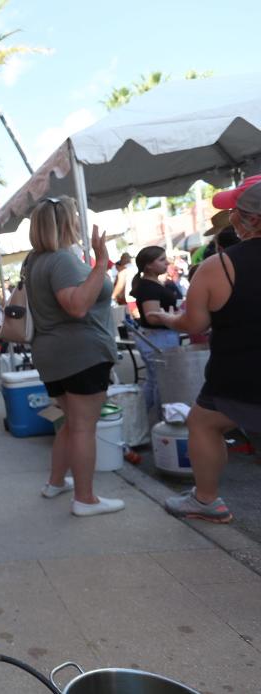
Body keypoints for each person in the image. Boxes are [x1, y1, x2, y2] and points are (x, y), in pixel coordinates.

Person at [158, 179, 261, 523]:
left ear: (252, 219)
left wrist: (166, 318)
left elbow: (194, 325)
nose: (232, 217)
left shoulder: (219, 267)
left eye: (237, 210)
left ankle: (206, 500)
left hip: (240, 378)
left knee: (202, 422)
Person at [25, 197, 123, 517]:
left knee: (71, 423)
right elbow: (77, 305)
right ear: (67, 223)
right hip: (80, 353)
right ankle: (85, 498)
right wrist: (101, 263)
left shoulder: (35, 260)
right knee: (83, 427)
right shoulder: (61, 261)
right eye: (76, 218)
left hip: (53, 354)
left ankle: (56, 482)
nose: (81, 222)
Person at [129, 245, 181, 416]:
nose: (166, 262)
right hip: (159, 338)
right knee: (161, 381)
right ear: (148, 265)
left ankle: (140, 420)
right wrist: (174, 317)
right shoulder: (148, 287)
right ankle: (161, 419)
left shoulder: (152, 284)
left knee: (156, 380)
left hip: (160, 336)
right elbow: (152, 316)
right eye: (161, 259)